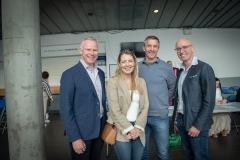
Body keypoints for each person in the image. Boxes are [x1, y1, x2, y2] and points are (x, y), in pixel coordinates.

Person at [59, 37, 107, 160]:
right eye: (88, 49)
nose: (92, 53)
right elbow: (65, 109)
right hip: (81, 133)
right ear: (81, 51)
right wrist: (74, 137)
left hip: (99, 130)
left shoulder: (100, 73)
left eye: (95, 50)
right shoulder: (69, 74)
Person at [172, 38, 216, 160]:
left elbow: (209, 100)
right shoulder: (180, 71)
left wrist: (198, 125)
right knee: (189, 155)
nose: (181, 51)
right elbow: (179, 98)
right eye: (178, 49)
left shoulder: (204, 68)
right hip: (181, 120)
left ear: (192, 48)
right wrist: (176, 120)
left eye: (184, 47)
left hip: (196, 122)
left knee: (200, 156)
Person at [107, 49, 149, 160]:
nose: (127, 64)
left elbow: (145, 106)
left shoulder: (141, 82)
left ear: (134, 63)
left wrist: (137, 128)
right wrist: (130, 129)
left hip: (138, 127)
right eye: (124, 61)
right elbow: (114, 110)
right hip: (120, 128)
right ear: (119, 64)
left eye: (130, 61)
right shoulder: (113, 82)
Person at [139, 36, 176, 160]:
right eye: (149, 45)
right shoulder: (136, 67)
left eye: (155, 46)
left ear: (158, 48)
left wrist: (165, 99)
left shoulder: (166, 67)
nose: (152, 49)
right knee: (142, 152)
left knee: (163, 152)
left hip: (160, 116)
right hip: (141, 117)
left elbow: (173, 87)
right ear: (144, 47)